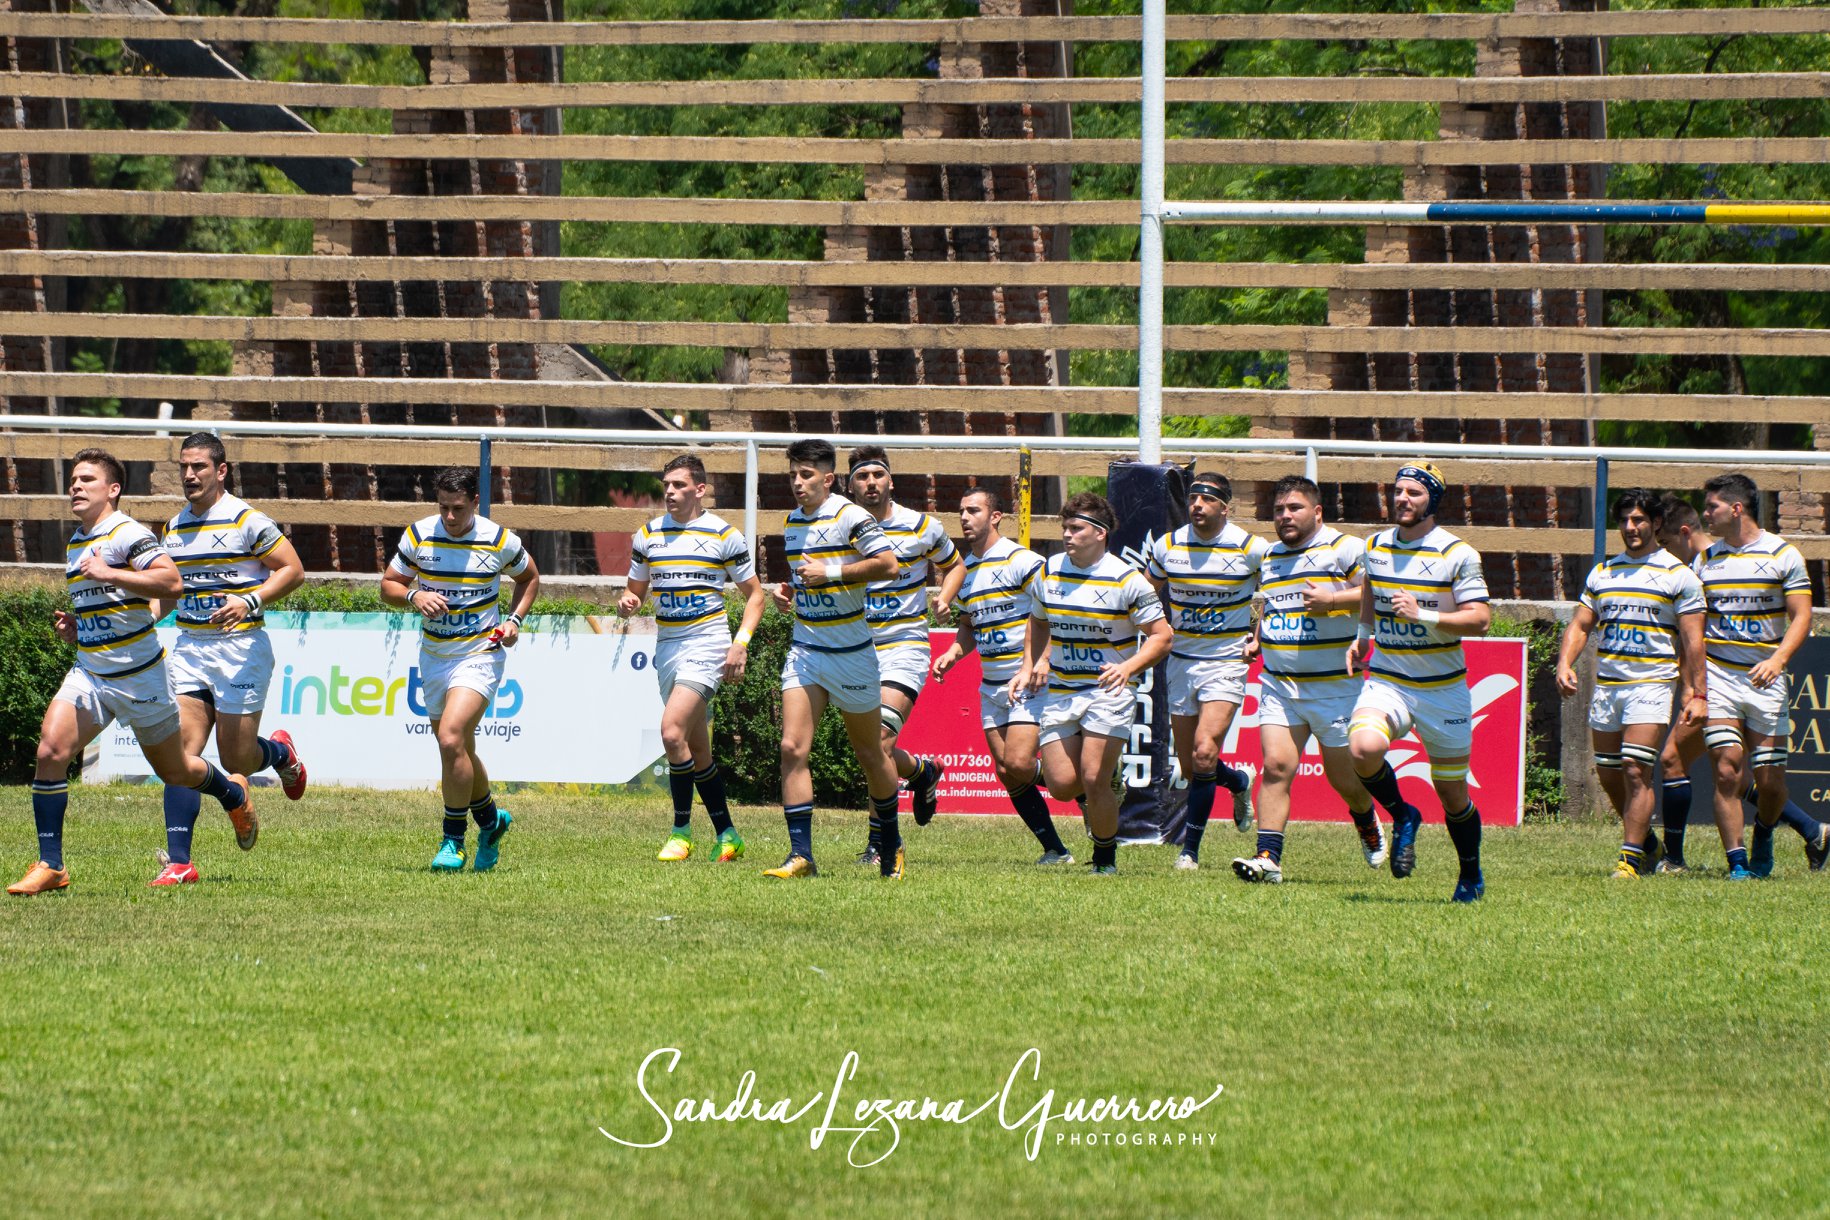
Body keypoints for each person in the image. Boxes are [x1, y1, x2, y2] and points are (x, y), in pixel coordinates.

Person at [10, 449, 257, 895]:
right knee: (50, 752)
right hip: (91, 673)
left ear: (113, 489)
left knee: (178, 770)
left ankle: (232, 794)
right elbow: (111, 607)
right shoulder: (76, 542)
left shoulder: (128, 534)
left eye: (87, 479)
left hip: (141, 677)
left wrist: (111, 572)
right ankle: (51, 865)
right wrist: (78, 627)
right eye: (73, 480)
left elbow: (171, 584)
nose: (75, 487)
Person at [149, 432, 308, 886]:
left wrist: (250, 601)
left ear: (221, 471)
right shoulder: (174, 528)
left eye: (198, 466)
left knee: (236, 754)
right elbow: (168, 594)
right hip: (191, 649)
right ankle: (179, 862)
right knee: (179, 756)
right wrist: (139, 619)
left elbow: (293, 570)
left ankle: (279, 753)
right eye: (183, 467)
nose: (189, 475)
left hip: (241, 647)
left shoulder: (247, 520)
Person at [1653, 496, 1827, 874]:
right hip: (1718, 682)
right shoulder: (1702, 565)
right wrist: (1694, 689)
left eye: (1664, 543)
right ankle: (1697, 859)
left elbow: (1693, 640)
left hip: (1753, 683)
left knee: (1758, 778)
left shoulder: (1761, 557)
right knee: (1724, 769)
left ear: (1683, 534)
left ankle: (1803, 828)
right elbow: (1695, 638)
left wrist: (1691, 687)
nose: (1663, 554)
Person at [379, 467, 540, 873]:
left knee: (451, 738)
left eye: (458, 509)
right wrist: (414, 594)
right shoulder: (419, 535)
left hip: (480, 653)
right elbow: (388, 586)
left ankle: (453, 840)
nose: (450, 517)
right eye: (443, 508)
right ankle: (491, 822)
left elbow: (529, 578)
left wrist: (515, 621)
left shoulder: (497, 538)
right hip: (434, 655)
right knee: (460, 750)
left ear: (474, 503)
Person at [1346, 462, 1492, 903]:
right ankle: (1403, 814)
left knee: (1452, 794)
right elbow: (1372, 589)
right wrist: (1363, 638)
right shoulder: (1375, 545)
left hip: (1442, 687)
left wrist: (1423, 614)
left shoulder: (1457, 554)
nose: (1403, 499)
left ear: (1433, 501)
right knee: (1363, 748)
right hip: (1389, 678)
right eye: (1399, 491)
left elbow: (1481, 620)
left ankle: (1470, 875)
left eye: (1415, 493)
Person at [1237, 475, 1387, 884]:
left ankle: (1365, 817)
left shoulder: (1345, 548)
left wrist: (1335, 600)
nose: (1285, 517)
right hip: (1279, 683)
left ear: (1317, 511)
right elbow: (1270, 606)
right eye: (1279, 510)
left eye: (1294, 508)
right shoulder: (1270, 556)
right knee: (1275, 766)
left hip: (1336, 687)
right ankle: (1268, 857)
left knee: (1345, 780)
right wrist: (1257, 639)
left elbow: (1380, 592)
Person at [618, 454, 766, 864]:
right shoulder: (647, 535)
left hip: (707, 643)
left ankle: (681, 833)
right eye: (666, 484)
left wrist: (741, 642)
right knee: (697, 751)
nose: (669, 492)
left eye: (679, 485)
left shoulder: (724, 535)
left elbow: (755, 595)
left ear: (700, 489)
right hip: (668, 646)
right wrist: (628, 602)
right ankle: (728, 835)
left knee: (670, 732)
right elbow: (635, 593)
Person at [767, 439, 903, 879]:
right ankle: (801, 854)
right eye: (792, 475)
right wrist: (789, 593)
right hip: (807, 649)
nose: (797, 483)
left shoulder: (852, 516)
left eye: (806, 475)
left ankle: (892, 842)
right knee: (792, 747)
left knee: (870, 754)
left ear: (827, 478)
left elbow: (888, 564)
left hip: (852, 654)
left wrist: (831, 572)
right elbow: (804, 575)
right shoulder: (791, 521)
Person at [1016, 492, 1171, 875]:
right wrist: (1028, 664)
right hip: (1062, 690)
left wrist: (1128, 667)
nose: (1067, 535)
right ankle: (1105, 784)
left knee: (1091, 777)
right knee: (1062, 785)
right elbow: (1037, 620)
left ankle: (1104, 860)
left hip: (1109, 692)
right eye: (1064, 528)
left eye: (1076, 528)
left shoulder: (1126, 580)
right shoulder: (1049, 570)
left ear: (1100, 534)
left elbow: (1162, 636)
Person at [1554, 490, 1706, 878]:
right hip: (1607, 686)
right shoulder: (1604, 572)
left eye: (1638, 520)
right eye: (1624, 520)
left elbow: (1693, 641)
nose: (1630, 527)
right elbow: (1582, 624)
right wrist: (1564, 662)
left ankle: (1629, 860)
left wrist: (1696, 691)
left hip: (1651, 684)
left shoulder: (1679, 576)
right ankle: (1649, 844)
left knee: (1636, 769)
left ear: (1656, 524)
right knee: (1609, 777)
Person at [931, 488, 1074, 864]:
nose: (964, 517)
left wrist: (1043, 659)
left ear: (995, 517)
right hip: (991, 684)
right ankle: (1055, 850)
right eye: (960, 510)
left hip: (1026, 680)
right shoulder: (965, 571)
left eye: (973, 510)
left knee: (1021, 763)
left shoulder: (1022, 560)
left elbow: (1052, 613)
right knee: (1008, 771)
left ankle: (1083, 785)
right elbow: (968, 627)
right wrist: (952, 653)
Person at [1144, 472, 1264, 870]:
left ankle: (1189, 852)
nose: (1196, 505)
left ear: (1224, 508)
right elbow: (1145, 594)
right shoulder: (1169, 545)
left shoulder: (1250, 548)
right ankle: (1239, 782)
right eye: (1193, 498)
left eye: (1206, 499)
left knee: (1204, 751)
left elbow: (1279, 591)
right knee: (1193, 765)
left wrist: (1258, 634)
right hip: (1181, 660)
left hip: (1227, 661)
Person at [847, 444, 961, 863]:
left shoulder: (920, 526)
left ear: (890, 480)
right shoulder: (840, 525)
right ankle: (922, 771)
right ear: (850, 484)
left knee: (878, 740)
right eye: (862, 476)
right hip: (854, 648)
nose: (871, 483)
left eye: (878, 475)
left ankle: (880, 843)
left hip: (904, 645)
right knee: (868, 748)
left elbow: (956, 565)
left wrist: (945, 596)